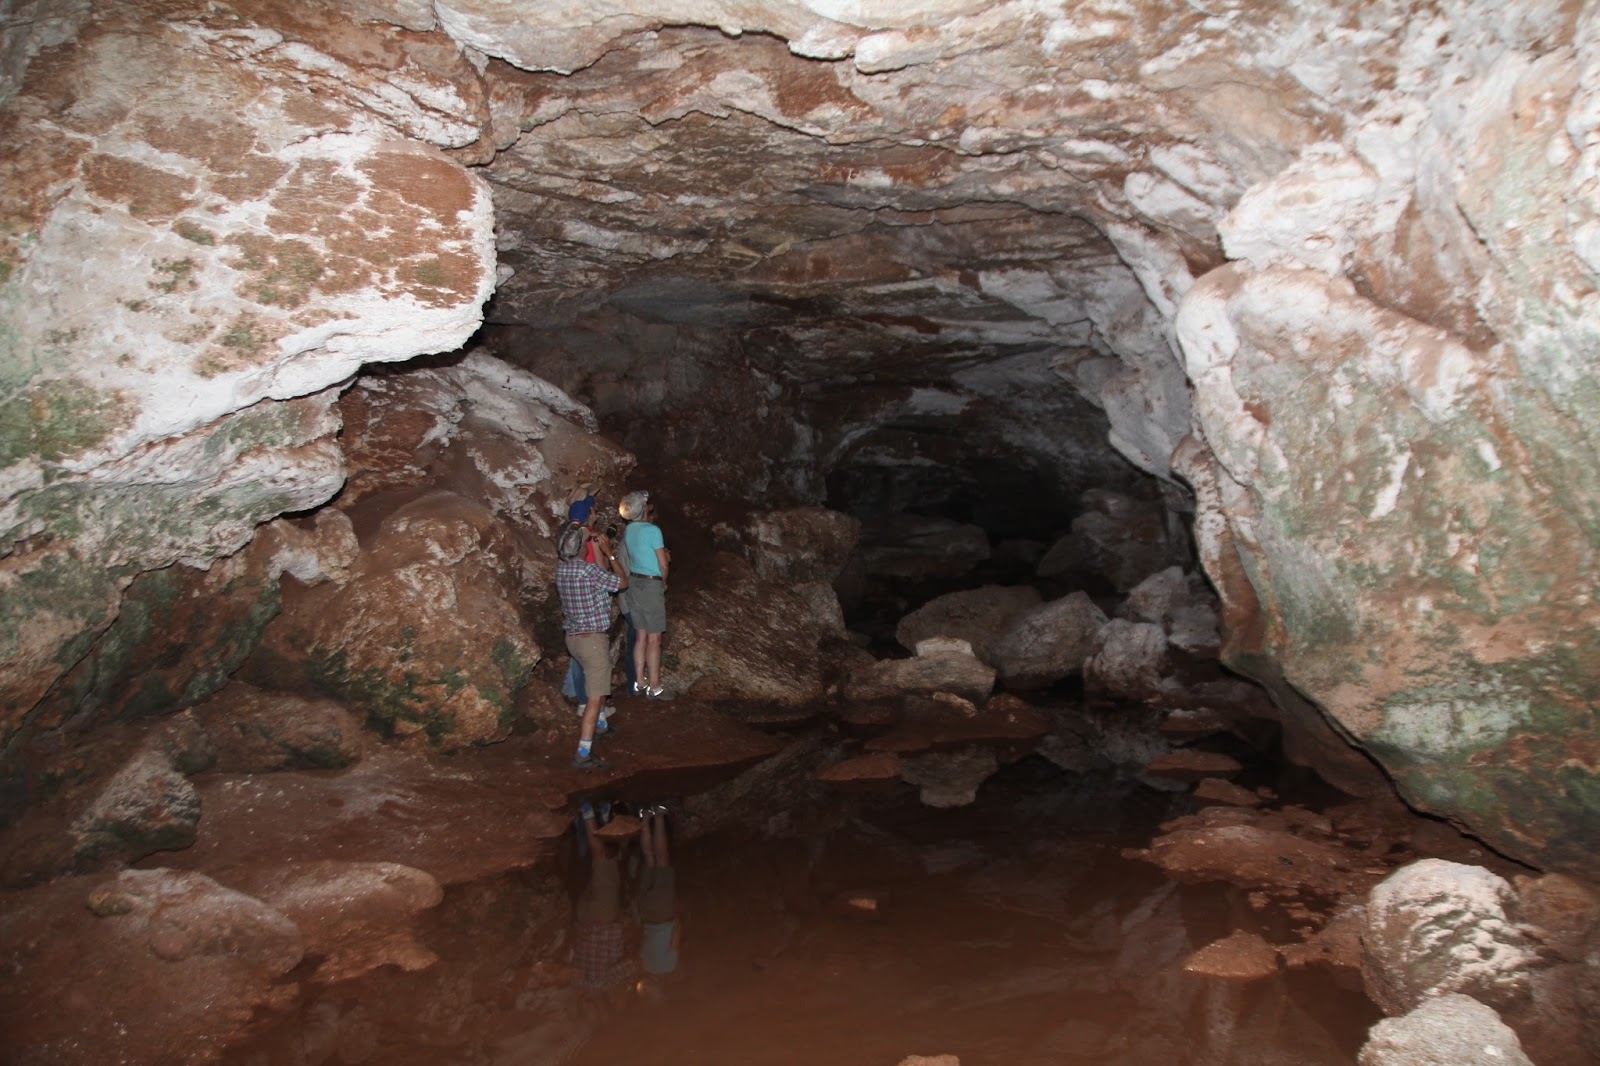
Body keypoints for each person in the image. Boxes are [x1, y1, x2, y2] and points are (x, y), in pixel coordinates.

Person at [555, 522, 628, 770]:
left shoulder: (561, 571)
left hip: (573, 638)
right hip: (592, 641)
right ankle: (583, 752)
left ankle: (601, 725)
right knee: (595, 698)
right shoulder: (587, 572)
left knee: (594, 686)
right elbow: (621, 583)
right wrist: (610, 554)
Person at [621, 491, 671, 698]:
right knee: (654, 639)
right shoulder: (652, 530)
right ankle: (655, 686)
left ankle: (639, 682)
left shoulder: (629, 530)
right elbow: (662, 562)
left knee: (640, 636)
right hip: (651, 585)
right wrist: (664, 582)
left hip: (634, 583)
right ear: (642, 509)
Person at [634, 805, 681, 983]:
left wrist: (677, 915)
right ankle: (645, 817)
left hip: (663, 914)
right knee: (649, 859)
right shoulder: (645, 965)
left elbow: (675, 937)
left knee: (662, 861)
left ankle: (659, 815)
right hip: (645, 912)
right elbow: (644, 941)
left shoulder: (668, 967)